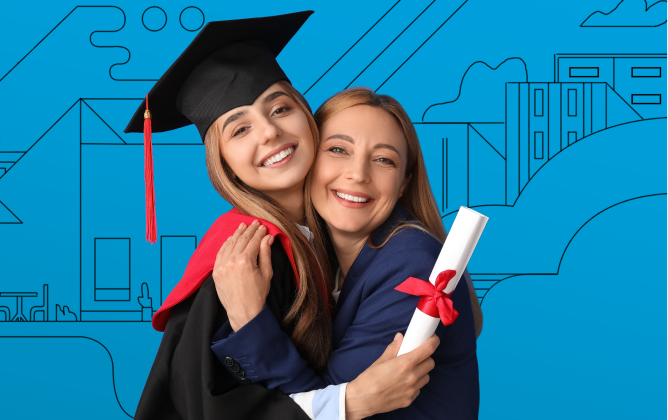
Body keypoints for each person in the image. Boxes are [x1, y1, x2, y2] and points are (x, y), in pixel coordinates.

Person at [124, 12, 438, 420]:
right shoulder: (248, 258)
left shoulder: (331, 240)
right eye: (239, 130)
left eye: (280, 108)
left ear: (311, 122)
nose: (269, 132)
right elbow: (212, 410)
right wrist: (349, 403)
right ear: (225, 164)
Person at [212, 87, 481, 419]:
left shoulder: (411, 263)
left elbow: (321, 407)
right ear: (309, 159)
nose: (358, 174)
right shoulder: (316, 255)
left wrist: (249, 319)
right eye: (338, 149)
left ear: (403, 182)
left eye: (384, 159)